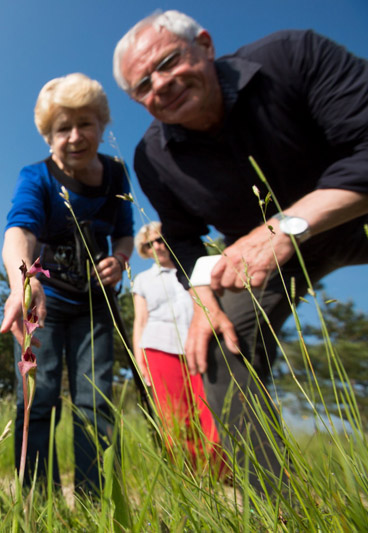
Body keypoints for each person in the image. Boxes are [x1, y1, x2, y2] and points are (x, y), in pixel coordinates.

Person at [113, 10, 368, 489]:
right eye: (143, 84)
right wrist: (205, 303)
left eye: (168, 62)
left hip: (351, 211)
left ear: (205, 45)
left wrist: (285, 228)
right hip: (258, 261)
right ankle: (281, 506)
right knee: (215, 349)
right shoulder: (154, 159)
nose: (161, 85)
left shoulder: (293, 56)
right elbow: (184, 239)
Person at [0, 73, 134, 494]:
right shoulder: (36, 177)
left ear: (103, 125)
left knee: (94, 400)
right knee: (38, 396)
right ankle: (36, 500)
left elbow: (125, 232)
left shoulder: (116, 176)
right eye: (63, 128)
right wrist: (24, 281)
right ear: (48, 136)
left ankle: (96, 501)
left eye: (86, 124)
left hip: (95, 307)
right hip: (46, 305)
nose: (75, 137)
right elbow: (18, 231)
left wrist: (120, 258)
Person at [131, 222, 219, 468]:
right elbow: (141, 320)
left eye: (161, 240)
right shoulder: (142, 279)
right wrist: (140, 358)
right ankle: (188, 471)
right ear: (145, 249)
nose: (157, 246)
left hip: (200, 344)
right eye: (151, 243)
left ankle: (222, 469)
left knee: (211, 408)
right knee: (175, 415)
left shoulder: (195, 270)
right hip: (159, 347)